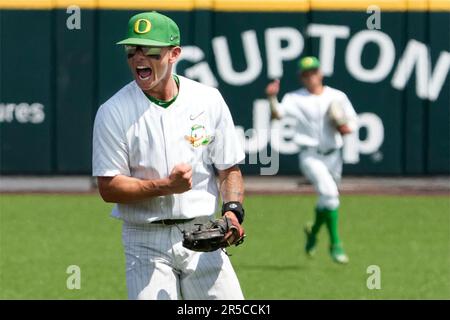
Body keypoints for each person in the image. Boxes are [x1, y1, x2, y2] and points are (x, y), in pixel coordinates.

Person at [92, 11, 246, 299]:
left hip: (204, 234)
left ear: (174, 53)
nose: (139, 57)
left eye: (149, 49)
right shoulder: (113, 111)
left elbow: (228, 169)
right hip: (145, 241)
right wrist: (165, 187)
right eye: (131, 49)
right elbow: (109, 187)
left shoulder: (208, 99)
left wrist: (233, 211)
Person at [265, 56, 358, 264]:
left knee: (327, 199)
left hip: (334, 155)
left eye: (314, 72)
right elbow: (278, 114)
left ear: (320, 73)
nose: (311, 77)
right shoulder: (294, 98)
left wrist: (345, 126)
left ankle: (313, 232)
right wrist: (271, 98)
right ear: (301, 77)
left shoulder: (337, 96)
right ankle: (335, 244)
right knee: (331, 195)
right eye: (306, 74)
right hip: (310, 155)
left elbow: (352, 121)